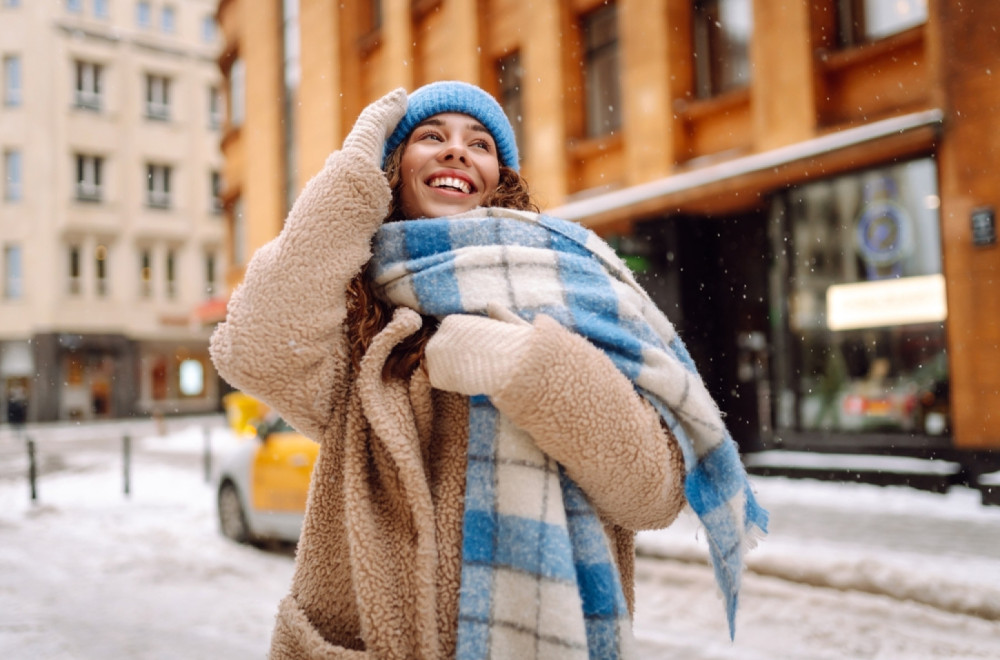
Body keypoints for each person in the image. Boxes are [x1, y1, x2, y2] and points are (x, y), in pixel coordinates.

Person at [211, 81, 766, 659]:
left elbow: (651, 494)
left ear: (500, 180)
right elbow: (256, 345)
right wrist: (351, 174)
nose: (456, 151)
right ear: (393, 170)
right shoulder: (360, 324)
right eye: (432, 137)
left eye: (480, 144)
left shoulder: (574, 289)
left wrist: (527, 365)